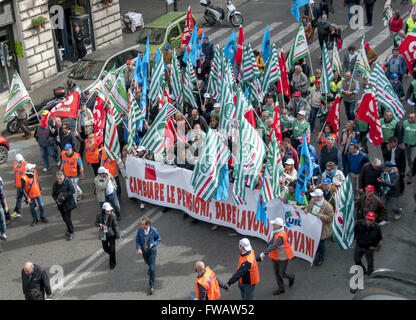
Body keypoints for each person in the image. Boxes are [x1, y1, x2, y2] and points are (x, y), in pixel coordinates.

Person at [258, 218, 295, 295]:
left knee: (282, 273)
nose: (272, 225)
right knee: (277, 273)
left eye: (274, 224)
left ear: (278, 225)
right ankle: (281, 288)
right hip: (275, 256)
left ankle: (291, 277)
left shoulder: (280, 236)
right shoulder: (276, 232)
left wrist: (263, 254)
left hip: (282, 257)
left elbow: (273, 246)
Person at [305, 188, 334, 266]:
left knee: (321, 244)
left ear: (319, 197)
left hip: (322, 229)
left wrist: (322, 216)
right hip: (313, 226)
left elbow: (331, 218)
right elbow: (308, 205)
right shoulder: (313, 201)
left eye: (315, 196)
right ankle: (314, 253)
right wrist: (306, 209)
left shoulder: (328, 206)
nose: (313, 197)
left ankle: (321, 258)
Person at [135, 217, 161, 295]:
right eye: (141, 224)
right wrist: (139, 248)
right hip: (144, 251)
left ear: (148, 224)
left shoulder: (153, 230)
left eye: (143, 224)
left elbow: (159, 239)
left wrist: (154, 244)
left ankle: (151, 286)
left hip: (152, 251)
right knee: (147, 262)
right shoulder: (140, 230)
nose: (141, 225)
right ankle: (149, 267)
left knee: (152, 269)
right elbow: (137, 240)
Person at [353, 212, 382, 277]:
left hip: (369, 248)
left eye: (371, 220)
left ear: (374, 220)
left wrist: (374, 246)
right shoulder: (359, 223)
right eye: (368, 219)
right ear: (365, 218)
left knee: (370, 263)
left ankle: (370, 275)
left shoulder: (376, 227)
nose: (369, 221)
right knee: (356, 259)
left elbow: (379, 238)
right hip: (359, 245)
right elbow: (355, 231)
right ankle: (362, 270)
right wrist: (356, 239)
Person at [52, 171, 76, 240]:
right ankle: (69, 229)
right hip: (60, 204)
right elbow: (53, 194)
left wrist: (64, 196)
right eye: (58, 178)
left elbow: (72, 190)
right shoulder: (55, 184)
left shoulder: (68, 182)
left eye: (60, 179)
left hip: (68, 203)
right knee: (65, 219)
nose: (59, 180)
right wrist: (57, 200)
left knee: (67, 218)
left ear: (63, 177)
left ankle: (71, 232)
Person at [96, 202, 120, 270]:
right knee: (105, 248)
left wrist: (117, 236)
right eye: (107, 210)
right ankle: (113, 255)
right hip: (104, 234)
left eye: (109, 210)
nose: (109, 211)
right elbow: (96, 223)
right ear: (104, 210)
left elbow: (115, 226)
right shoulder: (99, 215)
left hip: (111, 234)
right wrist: (99, 224)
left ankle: (112, 263)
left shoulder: (113, 215)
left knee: (112, 249)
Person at [399, 113, 416, 180]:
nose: (410, 119)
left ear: (415, 118)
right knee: (408, 159)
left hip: (414, 145)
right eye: (409, 117)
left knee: (412, 159)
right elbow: (402, 132)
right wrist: (400, 141)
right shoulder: (405, 123)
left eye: (411, 118)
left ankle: (411, 174)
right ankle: (411, 169)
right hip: (407, 144)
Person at [11, 154, 27, 218]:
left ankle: (34, 205)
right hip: (18, 185)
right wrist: (15, 182)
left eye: (21, 160)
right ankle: (17, 211)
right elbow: (16, 174)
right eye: (19, 160)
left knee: (30, 196)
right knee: (19, 198)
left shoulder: (26, 165)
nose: (20, 161)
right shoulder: (15, 164)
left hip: (25, 185)